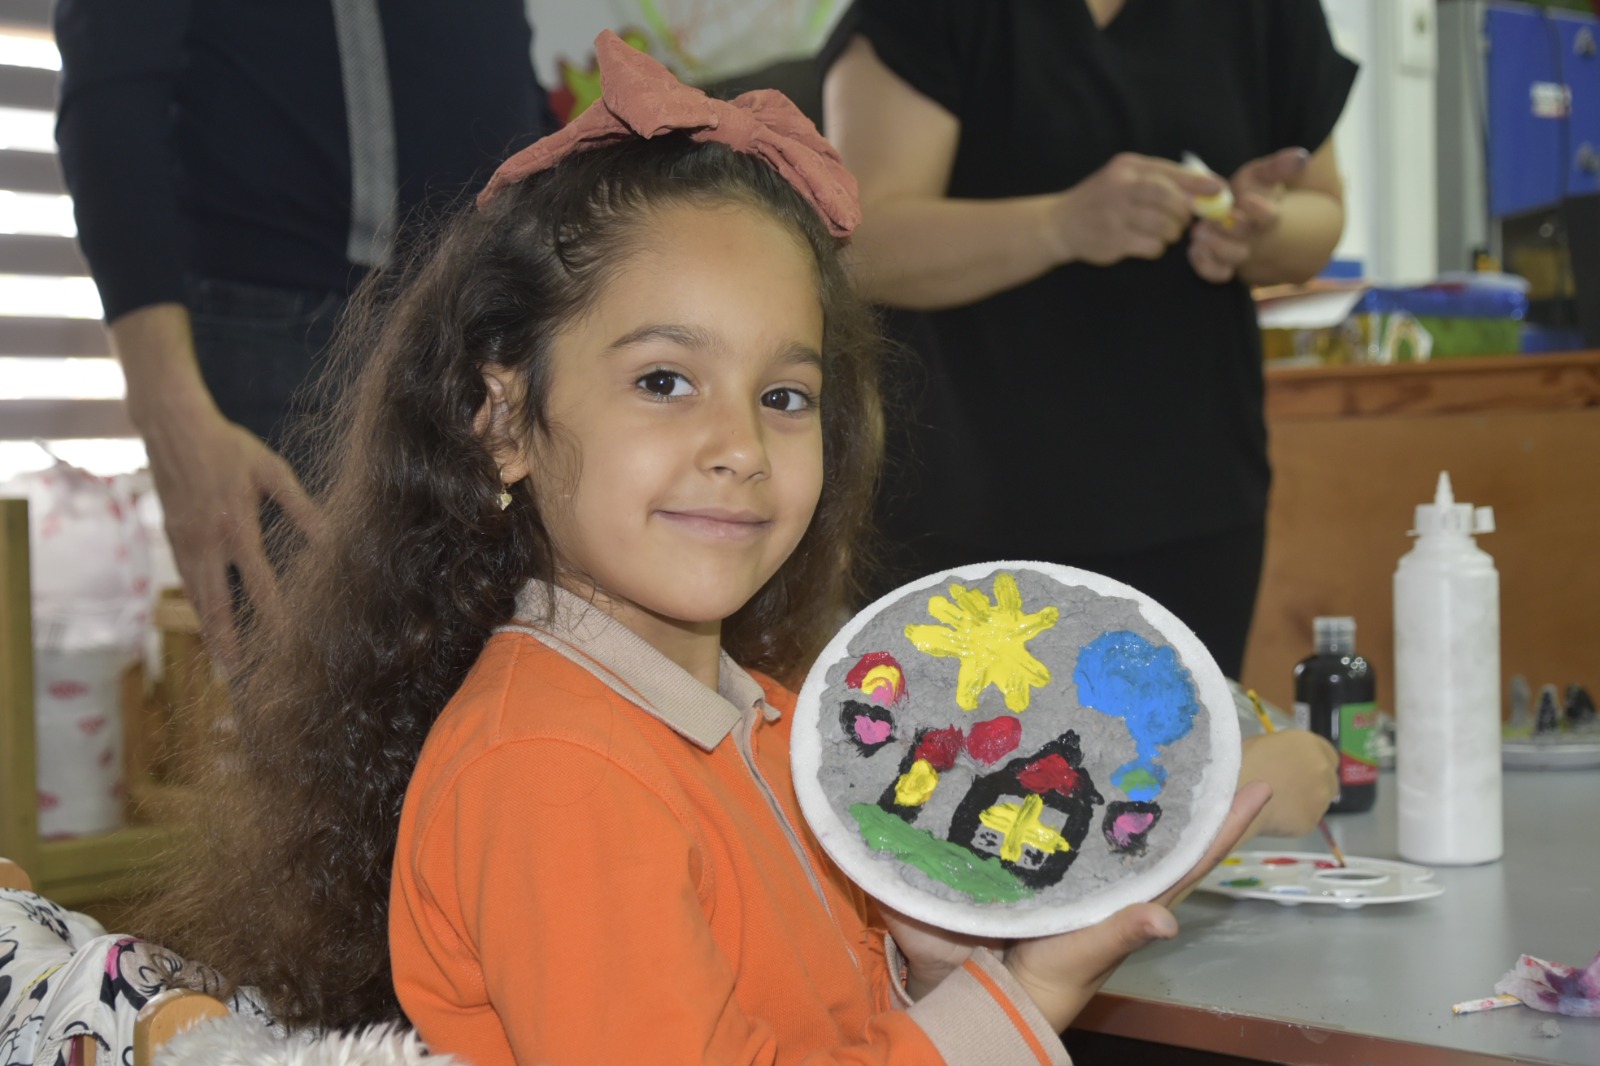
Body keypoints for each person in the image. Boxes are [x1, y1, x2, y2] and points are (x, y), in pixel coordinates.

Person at [130, 32, 1270, 1058]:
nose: (740, 446)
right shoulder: (554, 770)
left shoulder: (766, 721)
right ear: (504, 420)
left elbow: (814, 1031)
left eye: (784, 396)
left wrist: (931, 964)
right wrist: (1030, 994)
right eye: (665, 381)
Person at [820, 0, 1358, 688]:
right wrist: (1063, 225)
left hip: (1194, 498)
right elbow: (860, 246)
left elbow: (1321, 210)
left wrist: (1260, 230)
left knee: (1178, 747)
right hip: (963, 502)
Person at [53, 0, 557, 665]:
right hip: (296, 344)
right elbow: (110, 86)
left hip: (499, 324)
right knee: (337, 711)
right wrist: (170, 413)